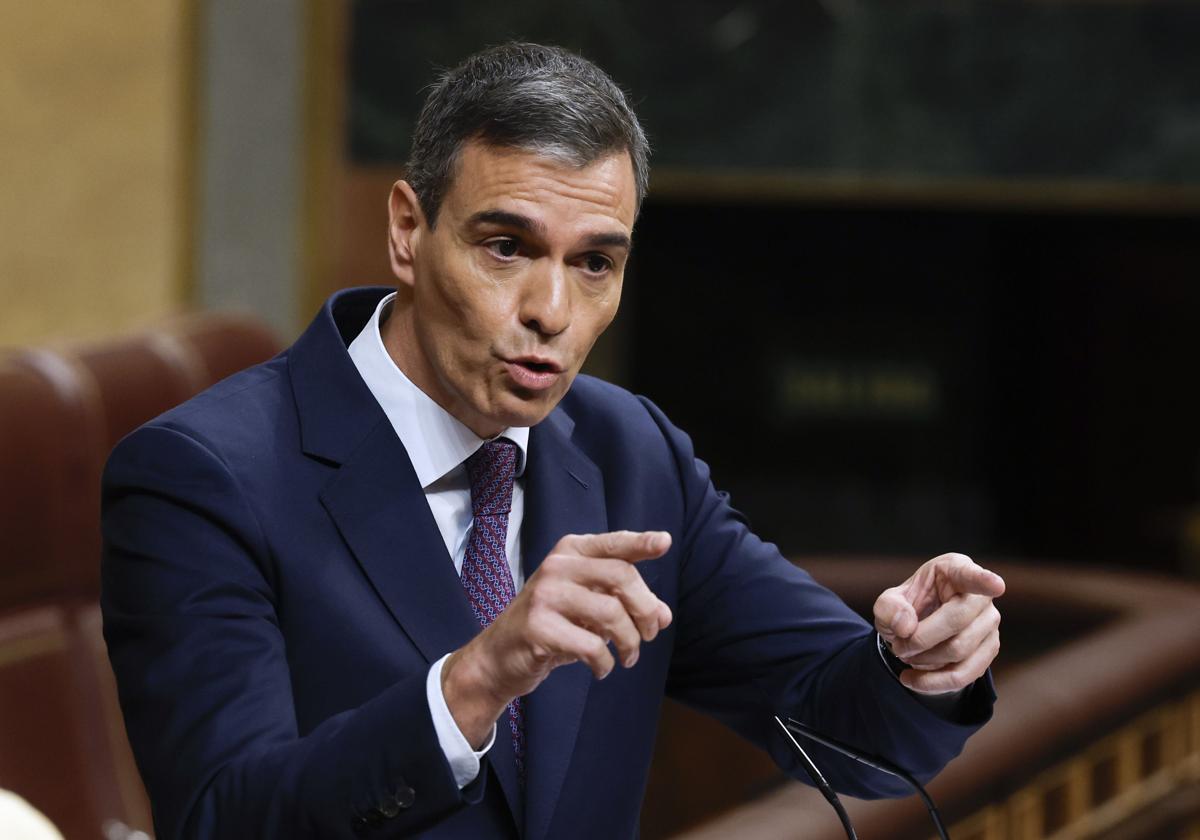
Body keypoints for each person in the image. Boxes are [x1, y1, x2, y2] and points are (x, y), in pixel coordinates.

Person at [101, 42, 1003, 840]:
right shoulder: (203, 475)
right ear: (408, 232)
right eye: (505, 247)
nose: (552, 312)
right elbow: (220, 817)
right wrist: (475, 681)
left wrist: (915, 664)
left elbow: (845, 730)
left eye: (595, 263)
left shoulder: (630, 451)